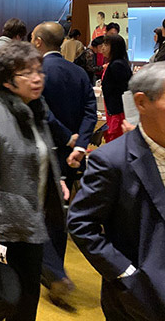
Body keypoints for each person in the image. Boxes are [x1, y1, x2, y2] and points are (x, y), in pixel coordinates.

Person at [0, 41, 66, 321]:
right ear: (7, 81)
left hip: (31, 223)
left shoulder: (35, 110)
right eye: (27, 73)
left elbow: (40, 153)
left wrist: (55, 180)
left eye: (39, 71)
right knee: (7, 296)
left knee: (28, 299)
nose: (37, 78)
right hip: (1, 227)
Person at [68, 62, 165, 321]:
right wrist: (125, 273)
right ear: (141, 102)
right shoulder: (112, 160)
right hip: (140, 298)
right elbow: (81, 224)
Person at [31, 21, 97, 308]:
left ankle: (53, 272)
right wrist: (80, 144)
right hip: (73, 157)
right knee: (59, 213)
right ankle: (54, 269)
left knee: (38, 211)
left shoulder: (36, 72)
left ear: (38, 41)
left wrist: (66, 137)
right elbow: (90, 111)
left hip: (45, 151)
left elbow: (42, 112)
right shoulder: (79, 72)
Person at [101, 34, 132, 142]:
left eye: (106, 45)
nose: (102, 47)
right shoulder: (116, 63)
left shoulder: (117, 65)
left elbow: (124, 90)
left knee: (115, 140)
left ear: (115, 47)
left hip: (118, 112)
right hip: (115, 110)